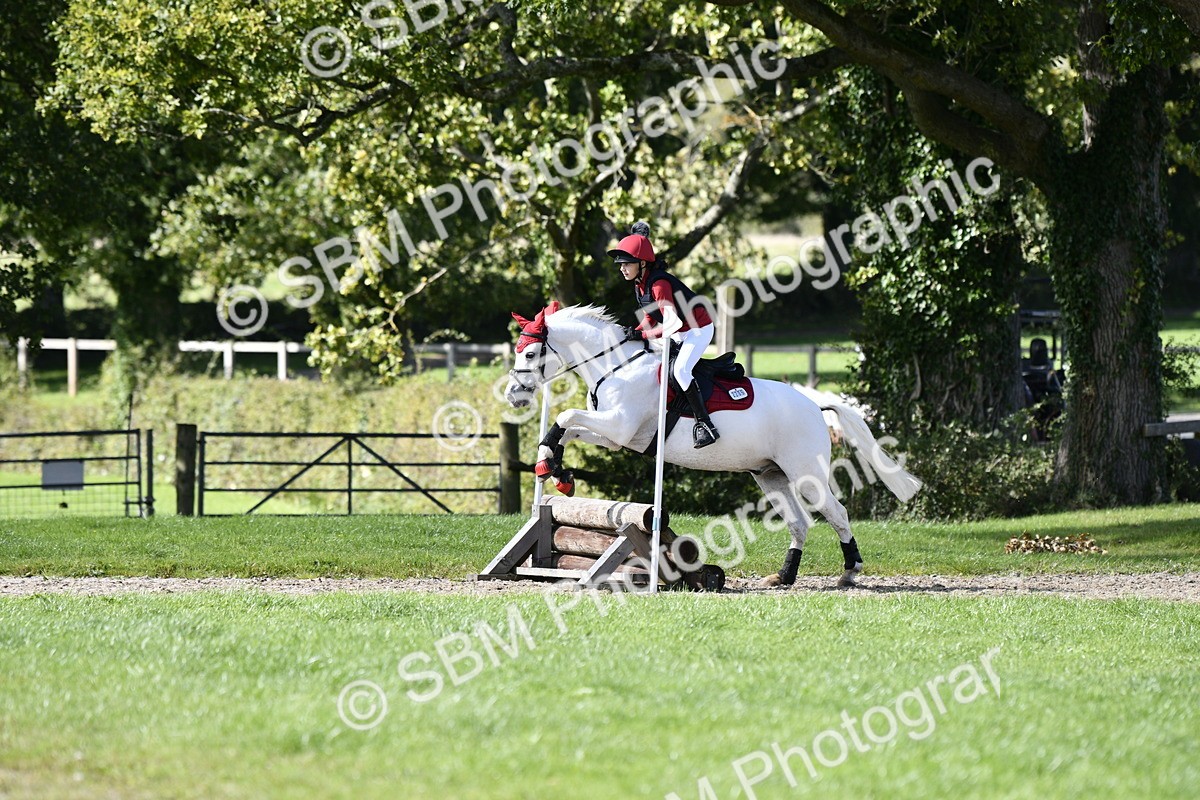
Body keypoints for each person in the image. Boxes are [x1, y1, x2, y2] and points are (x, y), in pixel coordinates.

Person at [608, 221, 720, 448]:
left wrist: (643, 336)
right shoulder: (640, 285)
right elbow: (650, 318)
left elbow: (672, 323)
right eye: (620, 264)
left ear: (641, 263)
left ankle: (705, 425)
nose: (622, 268)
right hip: (680, 330)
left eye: (626, 264)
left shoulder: (658, 284)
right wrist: (631, 334)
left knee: (680, 370)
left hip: (697, 329)